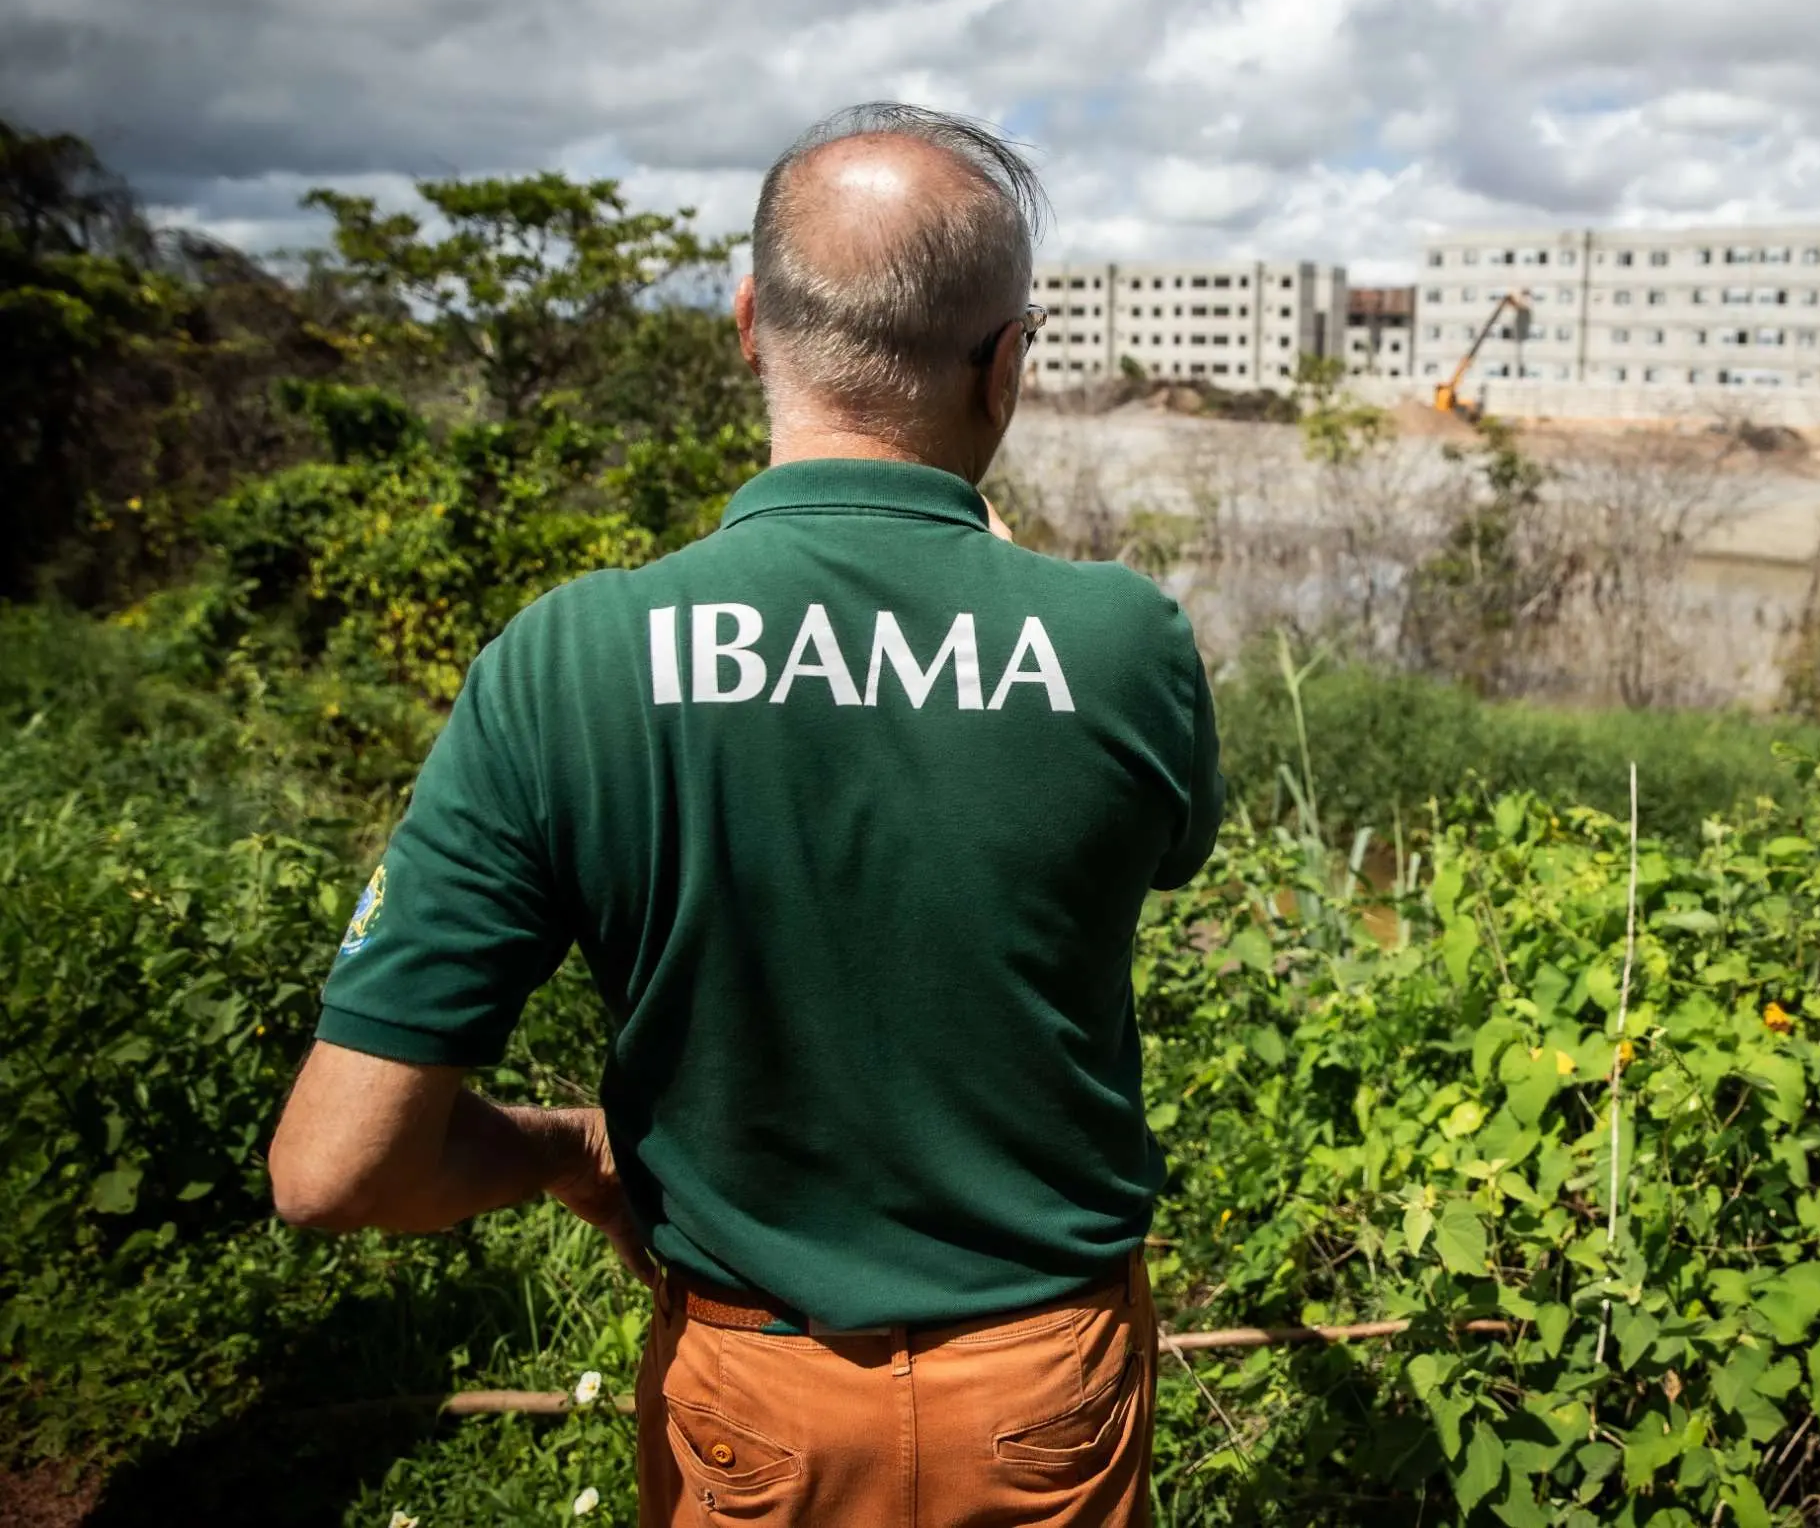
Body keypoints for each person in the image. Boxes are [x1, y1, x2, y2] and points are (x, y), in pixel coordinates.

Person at [267, 103, 1222, 1526]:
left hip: (752, 1405)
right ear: (1010, 365)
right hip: (1046, 1396)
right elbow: (1155, 848)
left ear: (746, 324)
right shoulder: (1122, 639)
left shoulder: (566, 657)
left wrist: (563, 1151)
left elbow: (335, 1168)